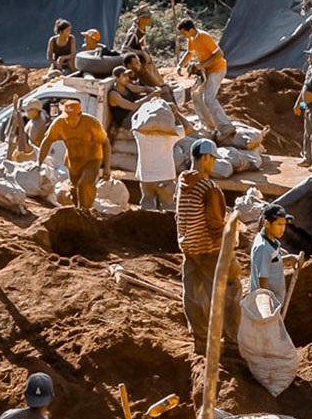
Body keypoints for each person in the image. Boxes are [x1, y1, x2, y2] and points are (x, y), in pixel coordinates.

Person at [175, 139, 240, 348]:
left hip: (188, 246)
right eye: (212, 160)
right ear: (205, 158)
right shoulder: (209, 188)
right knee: (228, 288)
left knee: (193, 293)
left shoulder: (182, 181)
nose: (213, 165)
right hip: (208, 249)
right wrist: (231, 249)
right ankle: (229, 339)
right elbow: (215, 224)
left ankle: (200, 339)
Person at [38, 100, 110, 211]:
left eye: (72, 118)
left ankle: (86, 211)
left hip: (92, 159)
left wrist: (107, 168)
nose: (69, 121)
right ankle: (79, 213)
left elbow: (105, 143)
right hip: (73, 161)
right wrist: (39, 162)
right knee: (74, 190)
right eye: (67, 118)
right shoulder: (59, 123)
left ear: (79, 115)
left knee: (84, 185)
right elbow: (47, 141)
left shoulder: (91, 123)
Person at [176, 18, 234, 137]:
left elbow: (219, 54)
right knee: (196, 95)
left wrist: (201, 65)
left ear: (190, 29)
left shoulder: (204, 37)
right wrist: (180, 65)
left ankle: (226, 126)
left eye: (183, 32)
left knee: (208, 97)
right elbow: (190, 52)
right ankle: (209, 126)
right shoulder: (192, 39)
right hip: (206, 71)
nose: (182, 35)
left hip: (217, 69)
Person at [248, 204, 299, 304]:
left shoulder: (271, 242)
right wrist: (267, 308)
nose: (283, 229)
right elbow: (262, 281)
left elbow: (271, 263)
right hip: (267, 305)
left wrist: (290, 258)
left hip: (275, 303)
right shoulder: (263, 248)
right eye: (279, 224)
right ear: (267, 224)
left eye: (284, 224)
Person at [107, 66, 161, 139]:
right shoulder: (114, 95)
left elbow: (142, 89)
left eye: (127, 75)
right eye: (124, 76)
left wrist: (153, 90)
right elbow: (133, 106)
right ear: (117, 78)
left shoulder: (126, 86)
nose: (127, 78)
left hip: (133, 114)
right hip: (125, 120)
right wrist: (151, 96)